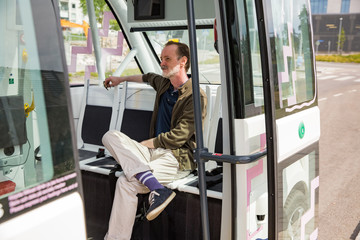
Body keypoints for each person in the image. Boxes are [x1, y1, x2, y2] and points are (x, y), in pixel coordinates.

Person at [102, 41, 207, 240]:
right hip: (151, 154)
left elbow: (179, 137)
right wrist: (119, 79)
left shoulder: (196, 96)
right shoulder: (164, 84)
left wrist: (145, 144)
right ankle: (157, 189)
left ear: (183, 61)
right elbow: (146, 77)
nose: (162, 63)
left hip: (177, 158)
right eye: (161, 59)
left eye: (167, 59)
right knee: (110, 136)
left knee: (126, 182)